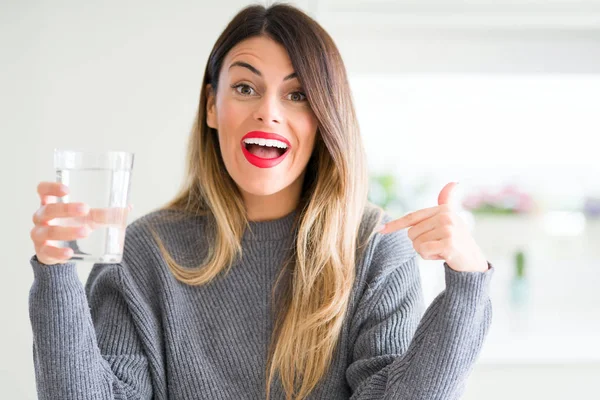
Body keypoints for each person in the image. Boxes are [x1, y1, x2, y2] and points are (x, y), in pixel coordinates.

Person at [28, 3, 493, 400]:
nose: (268, 110)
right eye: (245, 88)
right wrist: (56, 272)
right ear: (212, 106)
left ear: (324, 118)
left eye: (297, 95)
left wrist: (467, 284)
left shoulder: (373, 248)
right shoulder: (143, 253)